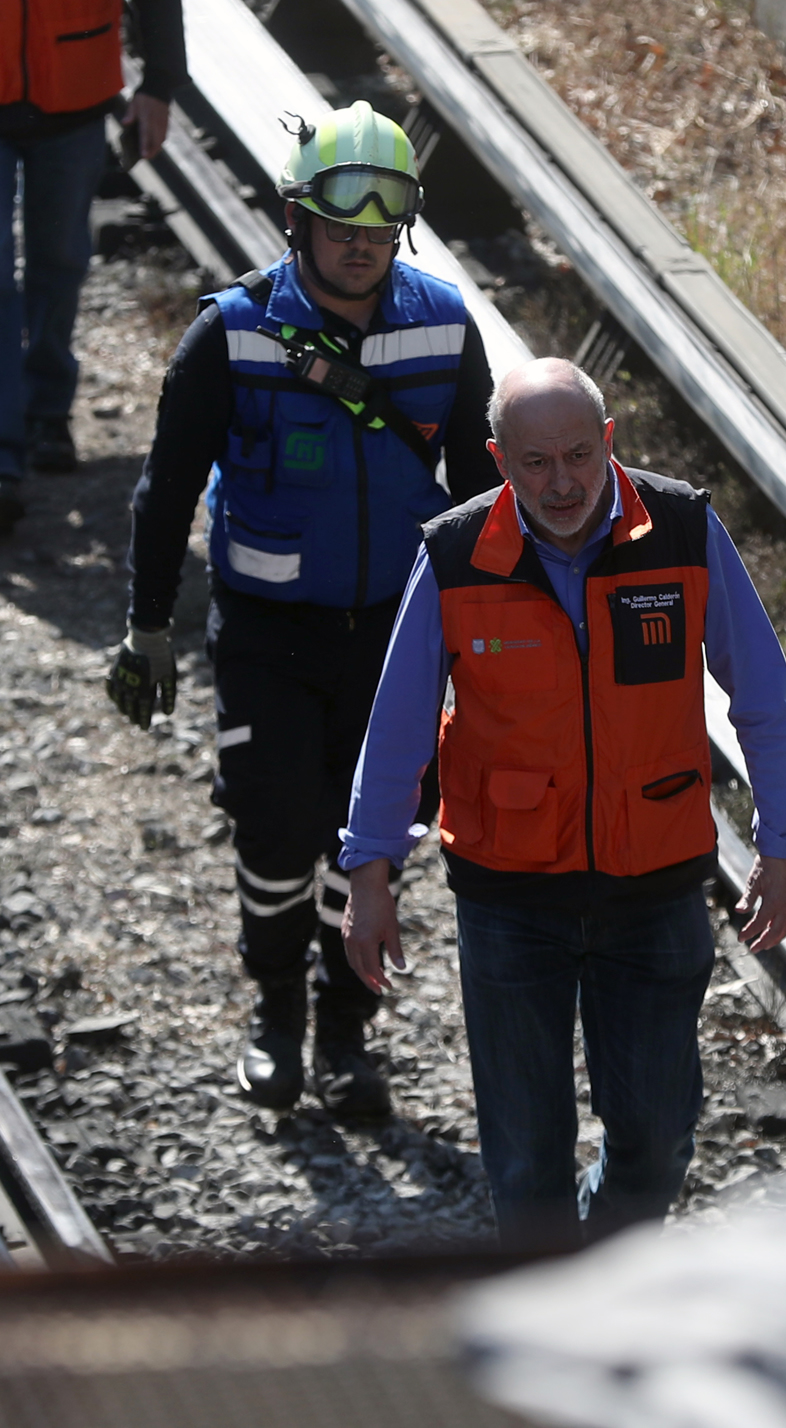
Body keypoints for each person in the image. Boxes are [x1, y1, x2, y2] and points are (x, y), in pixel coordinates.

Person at [340, 357, 786, 1249]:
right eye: (534, 463)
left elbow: (761, 694)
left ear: (608, 442)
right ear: (498, 460)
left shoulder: (680, 529)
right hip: (509, 901)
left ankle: (597, 1273)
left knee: (656, 1143)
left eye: (578, 454)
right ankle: (557, 1323)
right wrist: (369, 870)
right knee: (525, 1161)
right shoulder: (453, 555)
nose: (561, 482)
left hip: (656, 890)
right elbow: (398, 725)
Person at [106, 102, 498, 1119]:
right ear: (297, 221)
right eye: (340, 231)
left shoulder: (445, 326)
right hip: (270, 637)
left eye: (378, 235)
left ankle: (346, 1035)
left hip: (399, 641)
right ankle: (276, 1011)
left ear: (400, 230)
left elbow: (476, 494)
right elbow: (166, 487)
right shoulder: (230, 334)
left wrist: (492, 636)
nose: (360, 251)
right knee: (279, 834)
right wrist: (148, 627)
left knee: (369, 842)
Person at [0, 0, 187, 529]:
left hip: (74, 91)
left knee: (60, 262)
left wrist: (160, 83)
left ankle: (46, 411)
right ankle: (4, 456)